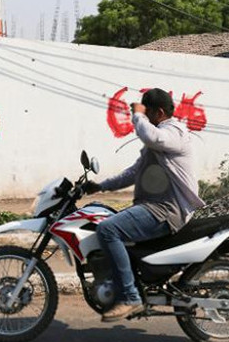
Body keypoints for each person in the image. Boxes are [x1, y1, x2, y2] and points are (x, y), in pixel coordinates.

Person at [83, 88, 205, 322]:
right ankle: (132, 285)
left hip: (167, 210)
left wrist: (137, 115)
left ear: (158, 113)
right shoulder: (159, 141)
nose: (142, 118)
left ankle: (130, 297)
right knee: (110, 222)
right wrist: (100, 186)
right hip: (156, 207)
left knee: (108, 230)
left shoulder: (174, 132)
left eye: (146, 112)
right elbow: (134, 172)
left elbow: (151, 136)